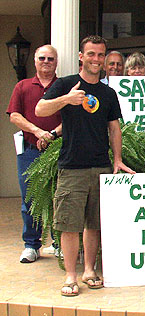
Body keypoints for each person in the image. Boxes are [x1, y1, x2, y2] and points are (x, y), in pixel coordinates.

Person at [35, 35, 135, 296]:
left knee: (94, 223)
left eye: (100, 55)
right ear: (81, 56)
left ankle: (89, 270)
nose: (96, 59)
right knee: (69, 224)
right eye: (91, 54)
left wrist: (117, 159)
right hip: (72, 167)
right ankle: (70, 276)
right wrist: (67, 99)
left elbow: (114, 128)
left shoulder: (108, 93)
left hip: (100, 166)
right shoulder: (66, 84)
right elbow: (40, 110)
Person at [6, 44, 62, 263]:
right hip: (29, 151)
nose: (46, 62)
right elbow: (14, 116)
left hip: (59, 150)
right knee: (30, 199)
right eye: (42, 58)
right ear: (35, 61)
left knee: (60, 198)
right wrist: (38, 131)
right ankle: (31, 244)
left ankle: (59, 243)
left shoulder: (64, 86)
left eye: (50, 58)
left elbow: (71, 118)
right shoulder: (23, 86)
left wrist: (51, 135)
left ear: (56, 62)